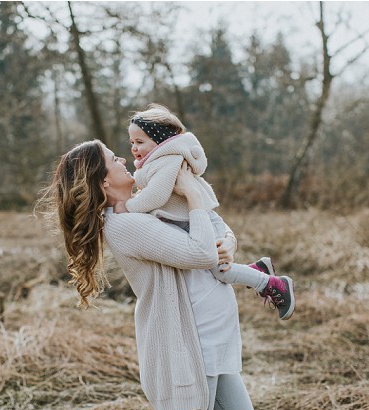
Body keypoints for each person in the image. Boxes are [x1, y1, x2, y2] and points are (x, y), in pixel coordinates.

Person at [42, 140, 257, 410]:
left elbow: (206, 226)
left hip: (210, 345)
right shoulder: (126, 225)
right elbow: (202, 253)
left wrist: (229, 241)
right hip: (186, 354)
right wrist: (193, 195)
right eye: (113, 159)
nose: (123, 160)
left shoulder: (143, 207)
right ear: (104, 181)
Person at [125, 104, 295, 320]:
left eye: (140, 142)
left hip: (203, 220)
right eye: (132, 142)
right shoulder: (157, 161)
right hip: (195, 221)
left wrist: (127, 208)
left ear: (160, 141)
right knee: (218, 268)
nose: (134, 148)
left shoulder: (168, 160)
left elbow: (156, 196)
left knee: (221, 272)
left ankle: (272, 283)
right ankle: (258, 269)